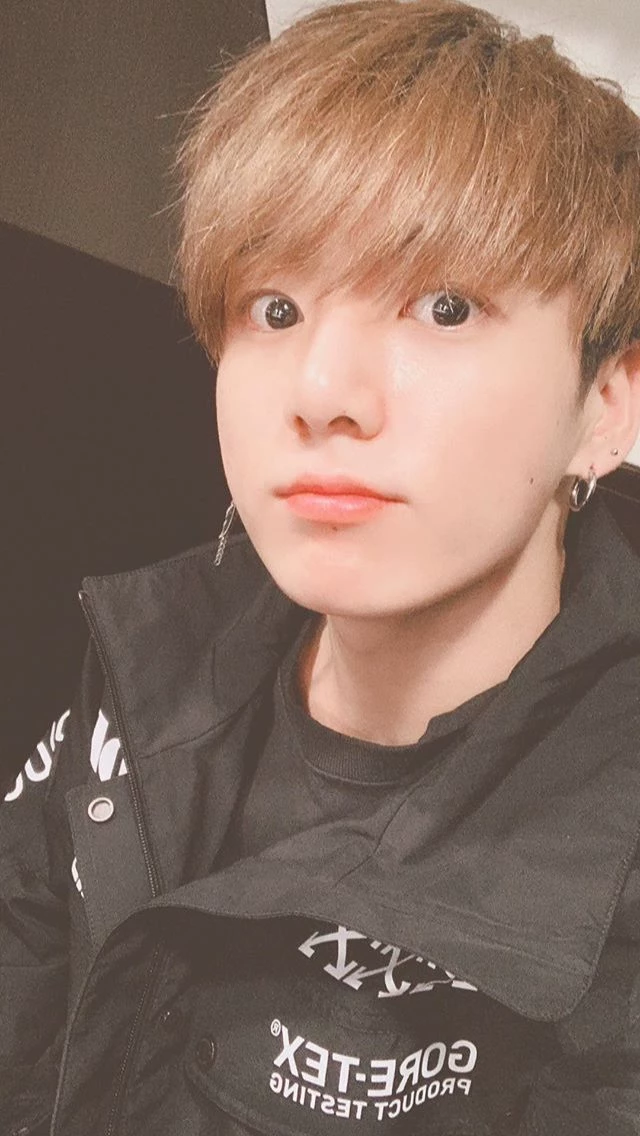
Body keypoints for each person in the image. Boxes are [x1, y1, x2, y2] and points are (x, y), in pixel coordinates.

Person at [3, 1, 640, 1132]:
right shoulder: (148, 659)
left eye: (444, 306)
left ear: (607, 403)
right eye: (276, 306)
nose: (321, 390)